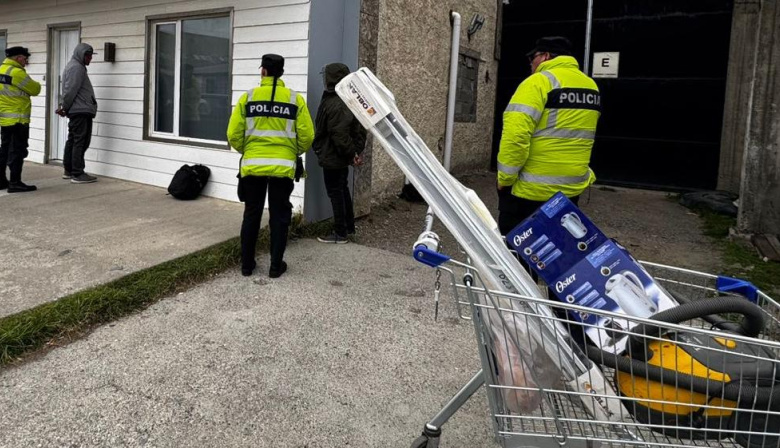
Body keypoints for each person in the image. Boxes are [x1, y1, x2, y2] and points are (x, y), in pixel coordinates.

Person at [497, 36, 601, 236]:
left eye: (532, 58)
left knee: (516, 247)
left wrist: (505, 179)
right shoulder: (590, 86)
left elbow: (516, 137)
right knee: (556, 246)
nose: (530, 63)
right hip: (570, 191)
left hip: (530, 192)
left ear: (545, 56)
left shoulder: (538, 82)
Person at [227, 54, 314, 278]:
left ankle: (247, 266)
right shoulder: (294, 99)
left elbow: (233, 134)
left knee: (252, 214)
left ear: (263, 71)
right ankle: (275, 266)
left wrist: (248, 150)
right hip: (283, 167)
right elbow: (307, 136)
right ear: (282, 73)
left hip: (252, 166)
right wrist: (293, 151)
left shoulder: (248, 97)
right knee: (279, 215)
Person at [312, 63, 366, 244]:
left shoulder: (336, 102)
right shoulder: (344, 98)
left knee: (336, 192)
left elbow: (339, 133)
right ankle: (347, 227)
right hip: (337, 154)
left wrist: (352, 154)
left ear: (332, 79)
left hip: (334, 155)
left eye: (326, 75)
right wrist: (354, 152)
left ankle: (340, 232)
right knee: (342, 189)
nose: (324, 79)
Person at [0, 46, 41, 193]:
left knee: (4, 150)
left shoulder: (1, 70)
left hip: (5, 118)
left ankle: (1, 180)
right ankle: (15, 182)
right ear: (18, 58)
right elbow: (35, 89)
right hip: (18, 118)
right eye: (24, 58)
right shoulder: (17, 73)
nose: (26, 61)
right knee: (18, 150)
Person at [57, 43, 98, 184]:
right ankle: (78, 173)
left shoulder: (74, 66)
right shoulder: (77, 68)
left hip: (78, 109)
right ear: (81, 55)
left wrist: (64, 107)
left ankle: (69, 170)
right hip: (80, 110)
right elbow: (70, 90)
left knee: (73, 140)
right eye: (88, 56)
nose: (90, 58)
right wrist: (64, 107)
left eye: (91, 56)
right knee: (80, 141)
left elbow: (69, 89)